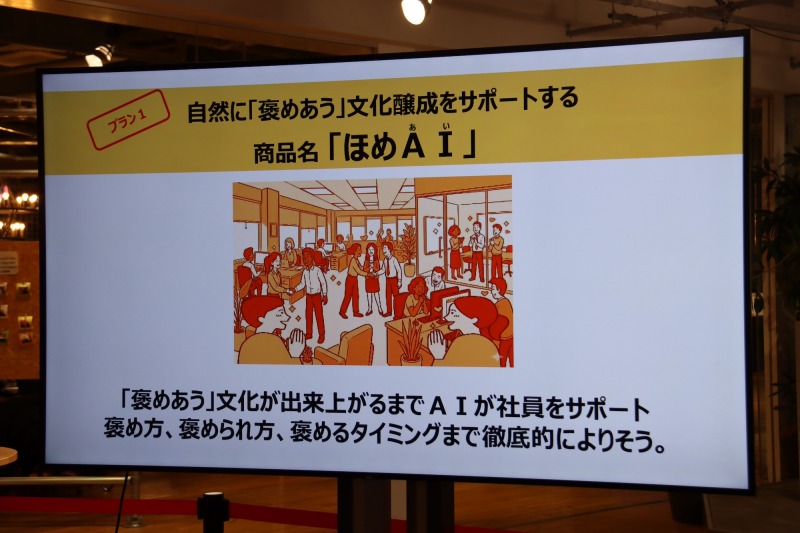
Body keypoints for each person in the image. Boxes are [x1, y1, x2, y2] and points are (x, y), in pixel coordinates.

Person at [428, 296, 504, 367]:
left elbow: (449, 373)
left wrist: (438, 356)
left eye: (453, 313)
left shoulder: (461, 342)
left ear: (473, 319)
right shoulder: (487, 342)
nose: (446, 317)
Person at [238, 296, 306, 364]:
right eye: (280, 313)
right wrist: (295, 354)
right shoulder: (272, 341)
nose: (287, 316)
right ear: (261, 318)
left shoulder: (250, 342)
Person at [294, 247, 328, 344]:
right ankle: (309, 333)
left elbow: (323, 283)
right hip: (308, 296)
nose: (305, 259)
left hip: (317, 296)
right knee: (308, 315)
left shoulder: (317, 270)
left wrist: (325, 295)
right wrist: (295, 289)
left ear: (312, 258)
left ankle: (321, 334)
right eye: (304, 258)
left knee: (318, 315)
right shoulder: (304, 271)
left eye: (307, 257)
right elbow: (302, 284)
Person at [340, 243, 369, 319]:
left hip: (354, 279)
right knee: (348, 296)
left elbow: (361, 268)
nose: (360, 251)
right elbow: (359, 271)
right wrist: (367, 274)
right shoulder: (353, 260)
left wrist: (367, 268)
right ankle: (342, 311)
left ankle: (355, 312)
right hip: (350, 279)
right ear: (354, 251)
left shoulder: (356, 260)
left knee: (356, 296)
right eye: (359, 249)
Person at [489, 277, 514, 368]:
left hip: (504, 339)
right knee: (512, 361)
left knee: (501, 362)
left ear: (498, 290)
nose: (491, 292)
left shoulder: (498, 305)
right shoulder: (507, 301)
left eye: (493, 289)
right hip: (512, 337)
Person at [362, 242, 386, 316]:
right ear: (367, 251)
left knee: (376, 294)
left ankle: (380, 309)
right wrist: (369, 267)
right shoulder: (366, 260)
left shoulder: (376, 260)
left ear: (375, 251)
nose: (371, 251)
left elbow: (378, 269)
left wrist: (373, 267)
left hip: (375, 279)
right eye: (369, 249)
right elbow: (364, 269)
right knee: (369, 294)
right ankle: (370, 309)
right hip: (368, 279)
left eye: (372, 249)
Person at [381, 242, 403, 317]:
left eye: (385, 248)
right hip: (388, 280)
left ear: (389, 249)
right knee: (388, 296)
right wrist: (376, 273)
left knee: (396, 297)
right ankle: (389, 311)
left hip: (394, 279)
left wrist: (399, 280)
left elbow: (399, 270)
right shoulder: (385, 260)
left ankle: (398, 313)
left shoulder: (394, 259)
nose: (383, 250)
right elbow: (383, 270)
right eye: (383, 248)